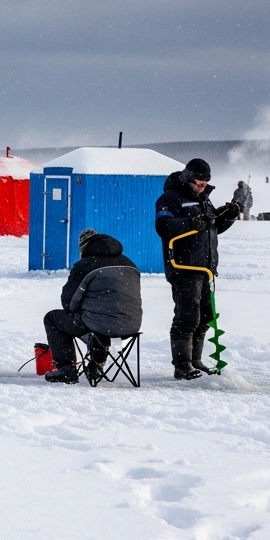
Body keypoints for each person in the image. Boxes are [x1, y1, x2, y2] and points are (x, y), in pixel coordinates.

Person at [155, 158, 240, 380]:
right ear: (187, 177)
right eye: (198, 181)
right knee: (187, 316)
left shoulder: (204, 200)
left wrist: (227, 217)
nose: (202, 185)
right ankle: (182, 365)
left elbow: (211, 229)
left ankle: (195, 361)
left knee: (205, 315)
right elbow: (163, 226)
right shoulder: (170, 199)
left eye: (205, 182)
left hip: (206, 269)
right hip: (184, 266)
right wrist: (191, 223)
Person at [39, 229, 143, 384]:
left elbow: (69, 303)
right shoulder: (129, 263)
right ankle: (95, 365)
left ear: (84, 248)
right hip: (131, 326)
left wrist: (81, 307)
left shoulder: (85, 265)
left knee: (53, 319)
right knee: (101, 319)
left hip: (99, 326)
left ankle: (66, 369)